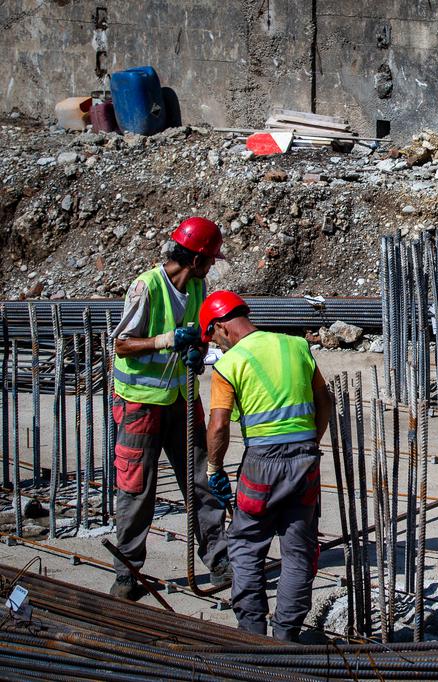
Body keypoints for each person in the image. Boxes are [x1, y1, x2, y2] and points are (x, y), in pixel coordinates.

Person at [200, 290, 333, 641]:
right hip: (305, 461)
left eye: (213, 336)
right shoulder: (296, 346)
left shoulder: (228, 365)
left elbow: (217, 425)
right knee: (298, 550)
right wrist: (309, 443)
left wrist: (214, 469)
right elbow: (325, 401)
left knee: (245, 546)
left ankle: (252, 635)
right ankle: (286, 636)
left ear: (221, 327)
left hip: (262, 464)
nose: (217, 345)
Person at [110, 216, 230, 600]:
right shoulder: (146, 287)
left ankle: (219, 557)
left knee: (201, 480)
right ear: (195, 258)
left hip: (181, 399)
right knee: (136, 488)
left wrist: (196, 350)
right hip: (140, 404)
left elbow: (198, 333)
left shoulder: (197, 286)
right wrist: (165, 340)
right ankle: (127, 572)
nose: (211, 266)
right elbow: (122, 345)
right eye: (210, 260)